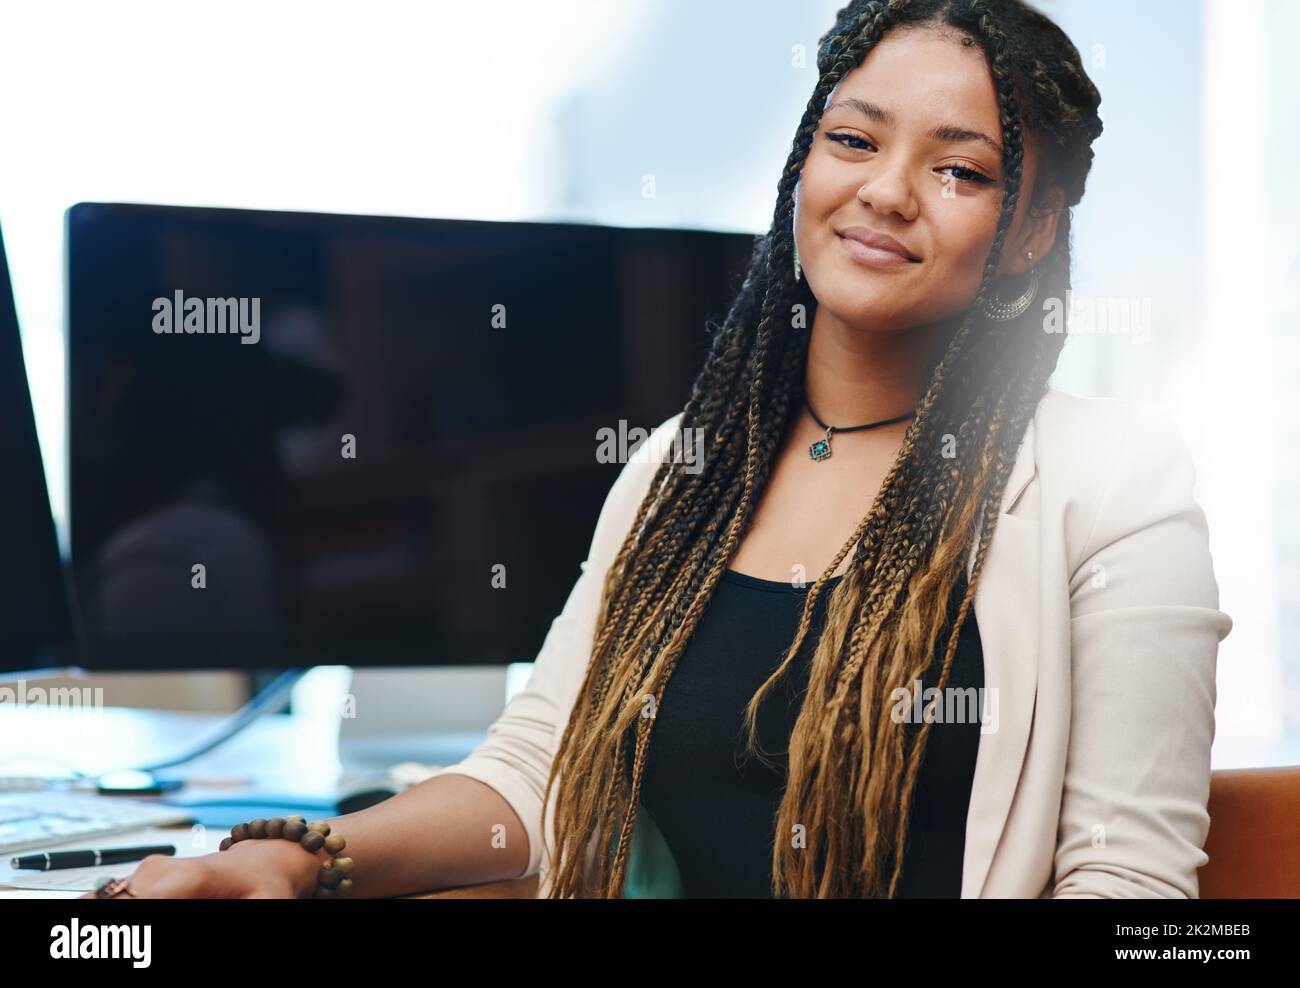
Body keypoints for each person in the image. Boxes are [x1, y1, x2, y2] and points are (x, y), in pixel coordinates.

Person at [85, 0, 1231, 900]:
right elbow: (534, 777)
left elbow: (1128, 888)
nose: (883, 192)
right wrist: (300, 858)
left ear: (1031, 230)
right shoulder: (684, 465)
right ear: (804, 164)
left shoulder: (1112, 480)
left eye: (959, 168)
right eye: (851, 139)